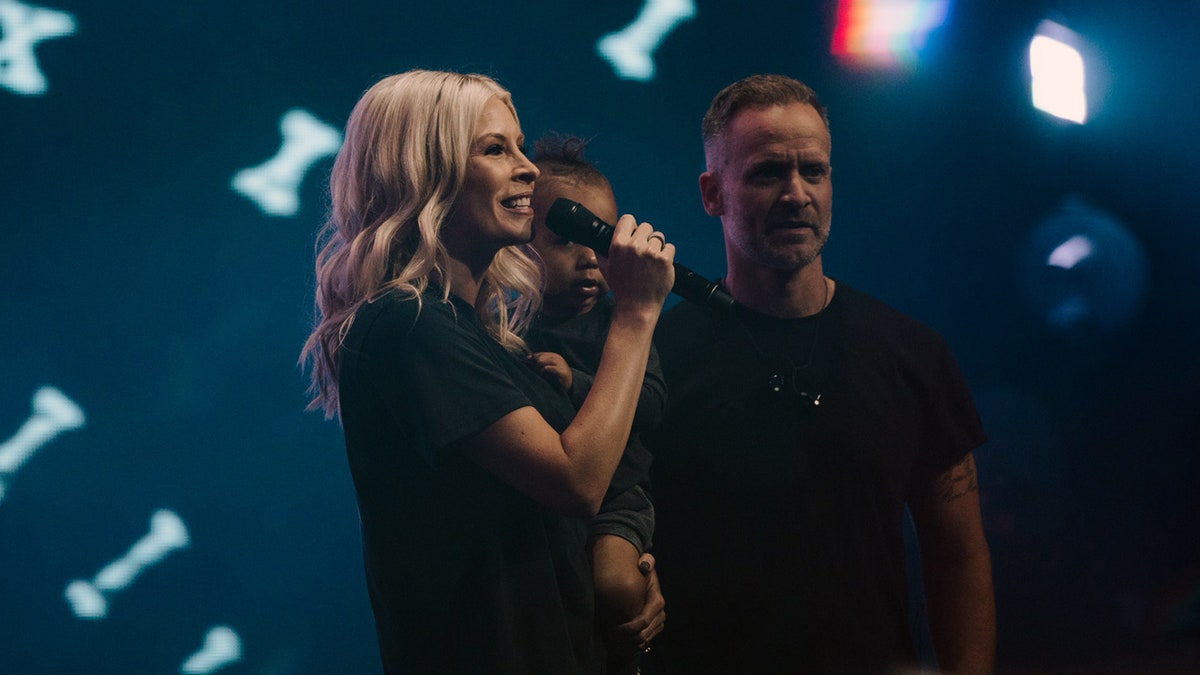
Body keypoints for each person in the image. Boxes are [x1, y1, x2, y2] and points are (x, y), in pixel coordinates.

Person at [299, 70, 672, 674]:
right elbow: (577, 481)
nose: (528, 168)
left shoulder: (476, 332)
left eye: (521, 146)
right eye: (496, 149)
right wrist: (635, 313)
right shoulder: (407, 324)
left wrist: (624, 589)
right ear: (425, 170)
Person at [642, 74, 996, 674]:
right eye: (767, 172)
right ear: (712, 193)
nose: (796, 193)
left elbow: (957, 553)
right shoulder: (651, 357)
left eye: (815, 170)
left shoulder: (911, 353)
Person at [523, 133, 665, 674]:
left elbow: (651, 407)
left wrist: (577, 382)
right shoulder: (507, 328)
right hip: (545, 505)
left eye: (601, 241)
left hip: (618, 497)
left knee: (613, 586)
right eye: (566, 240)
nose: (590, 259)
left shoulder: (622, 323)